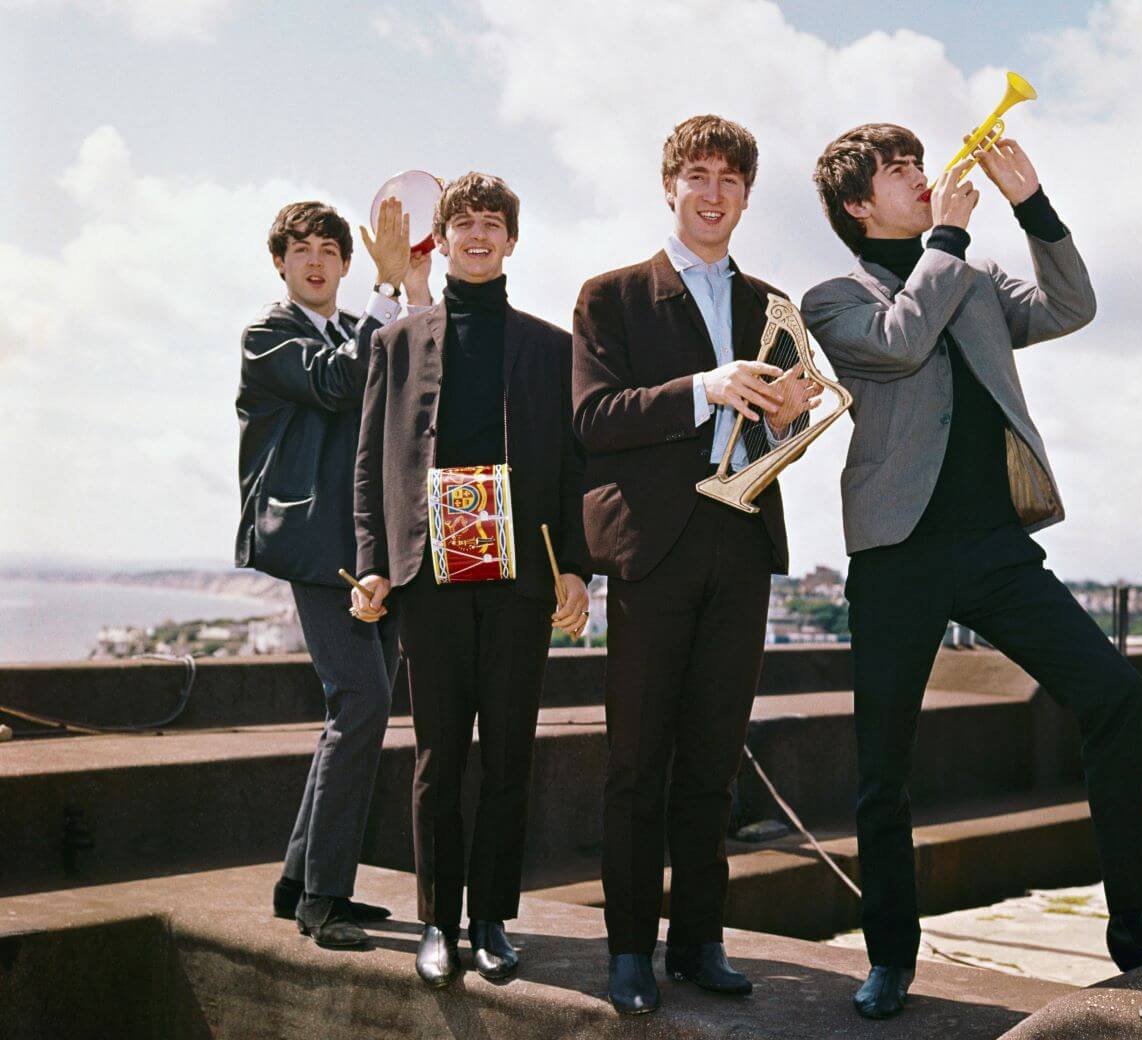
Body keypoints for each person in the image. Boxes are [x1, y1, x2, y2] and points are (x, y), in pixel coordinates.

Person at [801, 123, 1142, 1020]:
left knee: (1112, 692)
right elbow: (898, 343)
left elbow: (1068, 308)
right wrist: (948, 240)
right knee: (881, 767)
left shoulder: (969, 276)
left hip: (993, 545)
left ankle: (1136, 918)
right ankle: (891, 955)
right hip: (895, 554)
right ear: (859, 206)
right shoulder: (831, 299)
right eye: (901, 173)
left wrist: (1033, 207)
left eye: (918, 164)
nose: (925, 178)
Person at [571, 115, 819, 1015]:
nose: (713, 193)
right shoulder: (610, 297)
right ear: (670, 185)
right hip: (655, 552)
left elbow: (784, 431)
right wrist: (699, 392)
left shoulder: (772, 303)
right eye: (698, 176)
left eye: (730, 180)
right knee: (636, 764)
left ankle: (699, 944)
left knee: (713, 761)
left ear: (748, 195)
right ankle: (629, 950)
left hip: (741, 545)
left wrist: (792, 416)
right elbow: (593, 419)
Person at [351, 172, 590, 987]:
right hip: (429, 577)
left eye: (494, 224)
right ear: (442, 239)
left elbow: (572, 468)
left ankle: (491, 922)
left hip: (520, 579)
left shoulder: (552, 347)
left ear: (512, 241)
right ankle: (436, 924)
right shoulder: (395, 341)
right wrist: (375, 561)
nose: (479, 235)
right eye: (465, 223)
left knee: (510, 757)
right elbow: (368, 464)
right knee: (437, 759)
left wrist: (579, 571)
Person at [236, 197, 426, 948]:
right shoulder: (267, 335)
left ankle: (296, 881)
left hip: (373, 547)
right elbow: (336, 382)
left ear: (344, 263)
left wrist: (413, 291)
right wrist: (385, 293)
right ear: (280, 263)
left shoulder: (362, 327)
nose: (315, 260)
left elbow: (417, 381)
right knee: (362, 703)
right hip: (317, 545)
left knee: (352, 712)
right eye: (300, 249)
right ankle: (324, 898)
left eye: (329, 249)